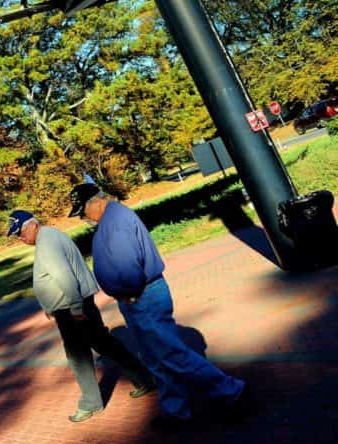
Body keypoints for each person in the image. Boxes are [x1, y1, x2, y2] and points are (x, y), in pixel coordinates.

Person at [68, 183, 247, 427]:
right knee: (156, 358)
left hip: (140, 296)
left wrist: (130, 293)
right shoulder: (111, 219)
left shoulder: (116, 220)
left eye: (81, 211)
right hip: (137, 296)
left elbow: (128, 264)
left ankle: (230, 390)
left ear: (95, 201)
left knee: (172, 354)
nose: (82, 217)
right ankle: (175, 409)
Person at [7, 210, 156, 423]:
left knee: (78, 358)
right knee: (105, 344)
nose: (20, 239)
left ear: (32, 225)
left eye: (20, 233)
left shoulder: (46, 242)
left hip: (71, 309)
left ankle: (90, 404)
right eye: (17, 236)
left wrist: (76, 310)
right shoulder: (49, 236)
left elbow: (65, 278)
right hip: (74, 305)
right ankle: (144, 379)